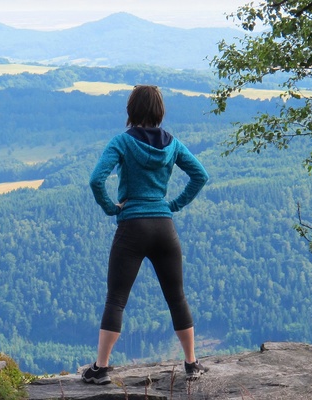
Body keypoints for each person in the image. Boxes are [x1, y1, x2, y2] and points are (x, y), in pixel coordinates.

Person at [83, 85, 209, 384]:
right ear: (159, 110)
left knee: (116, 300)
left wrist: (111, 209)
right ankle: (192, 364)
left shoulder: (122, 142)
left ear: (132, 110)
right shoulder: (172, 144)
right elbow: (200, 175)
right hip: (164, 227)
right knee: (177, 297)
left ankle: (101, 369)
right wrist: (174, 205)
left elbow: (96, 179)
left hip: (132, 226)